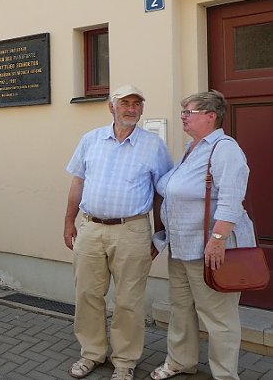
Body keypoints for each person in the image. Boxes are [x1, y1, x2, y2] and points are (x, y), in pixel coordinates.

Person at [63, 85, 173, 380]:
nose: (131, 108)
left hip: (133, 230)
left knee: (128, 300)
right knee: (87, 293)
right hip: (91, 227)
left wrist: (159, 235)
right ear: (111, 107)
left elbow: (162, 193)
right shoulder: (91, 140)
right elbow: (78, 183)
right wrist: (68, 222)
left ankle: (125, 361)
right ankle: (92, 353)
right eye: (125, 103)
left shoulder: (154, 146)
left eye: (137, 103)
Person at [150, 91, 255, 380]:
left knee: (219, 317)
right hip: (181, 246)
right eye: (183, 111)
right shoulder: (192, 147)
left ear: (211, 116)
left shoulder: (224, 149)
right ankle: (181, 361)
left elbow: (231, 199)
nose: (183, 116)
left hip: (208, 249)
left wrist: (218, 241)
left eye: (190, 112)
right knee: (181, 309)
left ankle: (224, 375)